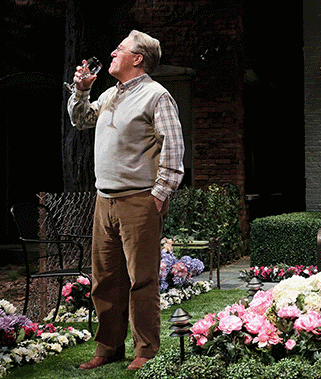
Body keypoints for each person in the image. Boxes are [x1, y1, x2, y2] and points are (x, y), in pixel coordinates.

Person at [67, 30, 185, 371]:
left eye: (120, 49)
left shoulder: (156, 96)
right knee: (105, 280)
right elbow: (80, 120)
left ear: (138, 58)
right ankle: (108, 348)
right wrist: (82, 90)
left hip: (139, 200)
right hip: (105, 200)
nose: (113, 53)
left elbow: (173, 147)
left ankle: (145, 350)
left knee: (141, 279)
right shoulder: (109, 95)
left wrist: (160, 193)